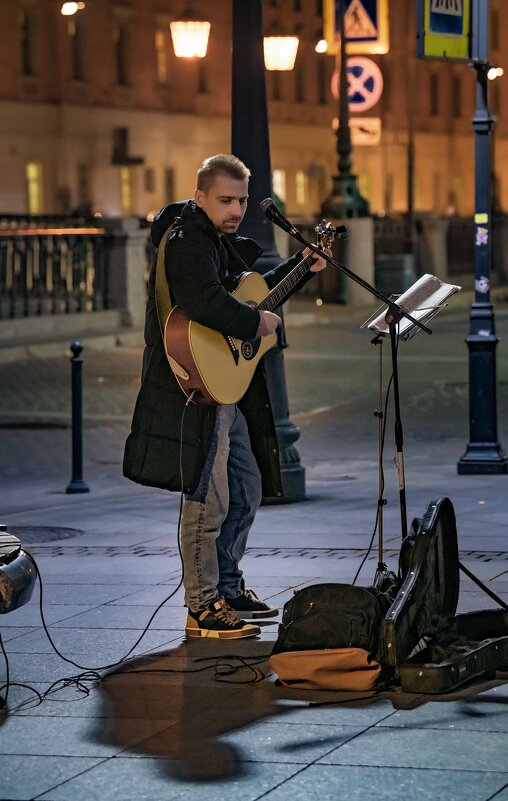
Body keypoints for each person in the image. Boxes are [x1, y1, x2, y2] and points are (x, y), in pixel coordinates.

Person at [123, 154, 327, 640]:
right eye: (225, 200)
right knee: (207, 496)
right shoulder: (187, 240)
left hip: (223, 381)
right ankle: (202, 605)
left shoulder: (217, 240)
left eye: (240, 200)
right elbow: (208, 304)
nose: (235, 209)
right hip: (192, 385)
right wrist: (256, 323)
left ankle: (229, 586)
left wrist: (303, 266)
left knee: (247, 483)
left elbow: (250, 298)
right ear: (200, 197)